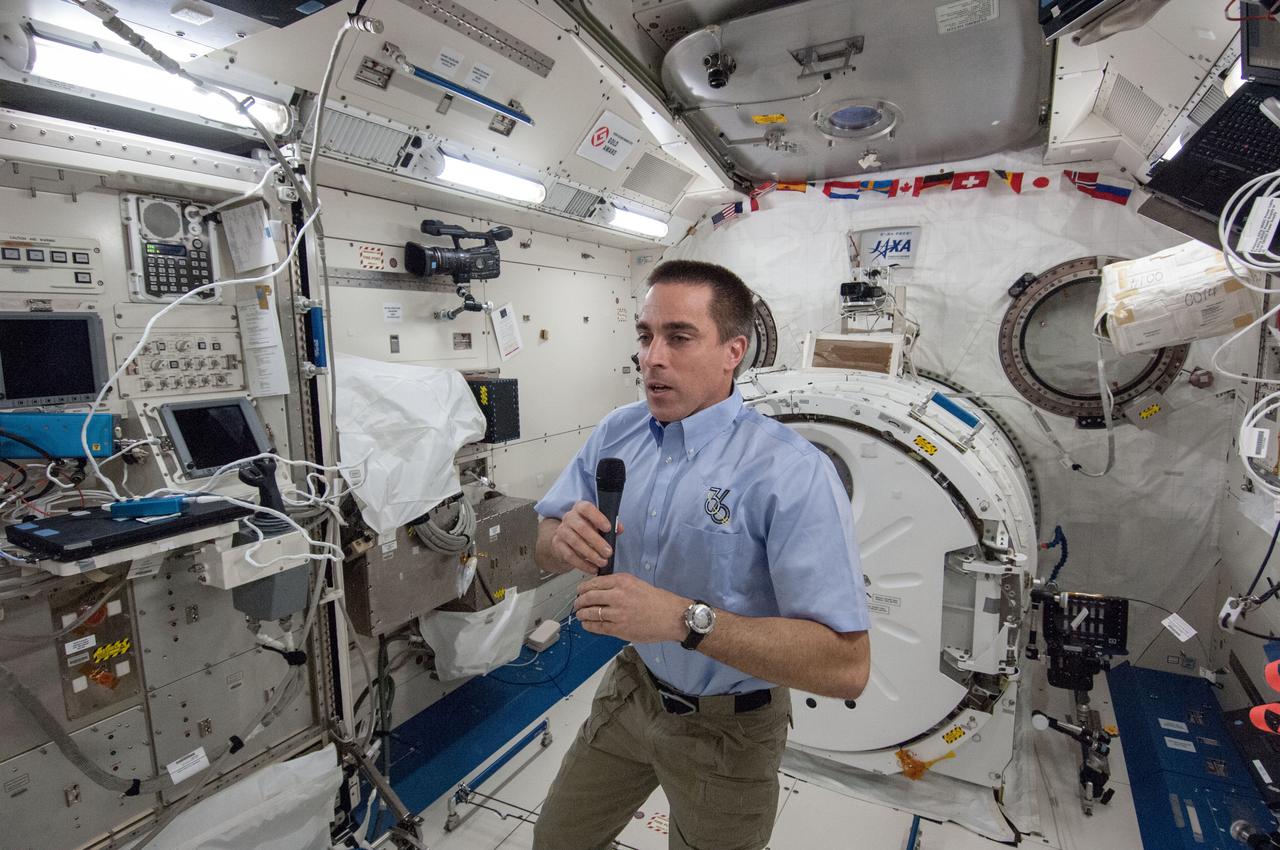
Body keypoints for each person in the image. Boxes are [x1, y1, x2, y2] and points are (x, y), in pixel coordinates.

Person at [531, 259, 870, 850]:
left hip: (730, 728)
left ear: (732, 350)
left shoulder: (790, 473)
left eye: (679, 337)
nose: (652, 357)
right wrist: (560, 540)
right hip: (633, 689)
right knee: (557, 840)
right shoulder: (618, 432)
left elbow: (845, 667)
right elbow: (542, 540)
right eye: (645, 336)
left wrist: (682, 620)